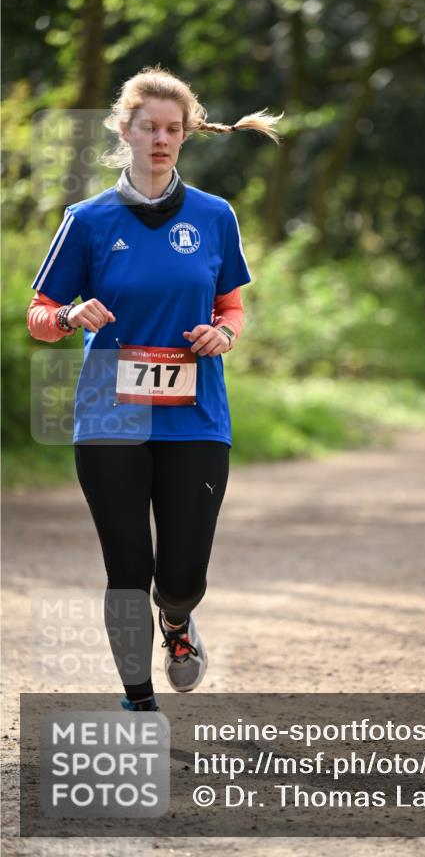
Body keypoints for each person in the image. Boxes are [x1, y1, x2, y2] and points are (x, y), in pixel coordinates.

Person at [27, 66, 282, 710]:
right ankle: (137, 697)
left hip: (195, 415)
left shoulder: (214, 216)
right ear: (126, 130)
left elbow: (231, 307)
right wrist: (66, 316)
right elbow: (39, 317)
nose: (161, 139)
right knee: (126, 567)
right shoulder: (87, 221)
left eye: (173, 129)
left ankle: (177, 621)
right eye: (150, 128)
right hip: (109, 416)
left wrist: (225, 334)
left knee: (182, 574)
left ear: (188, 134)